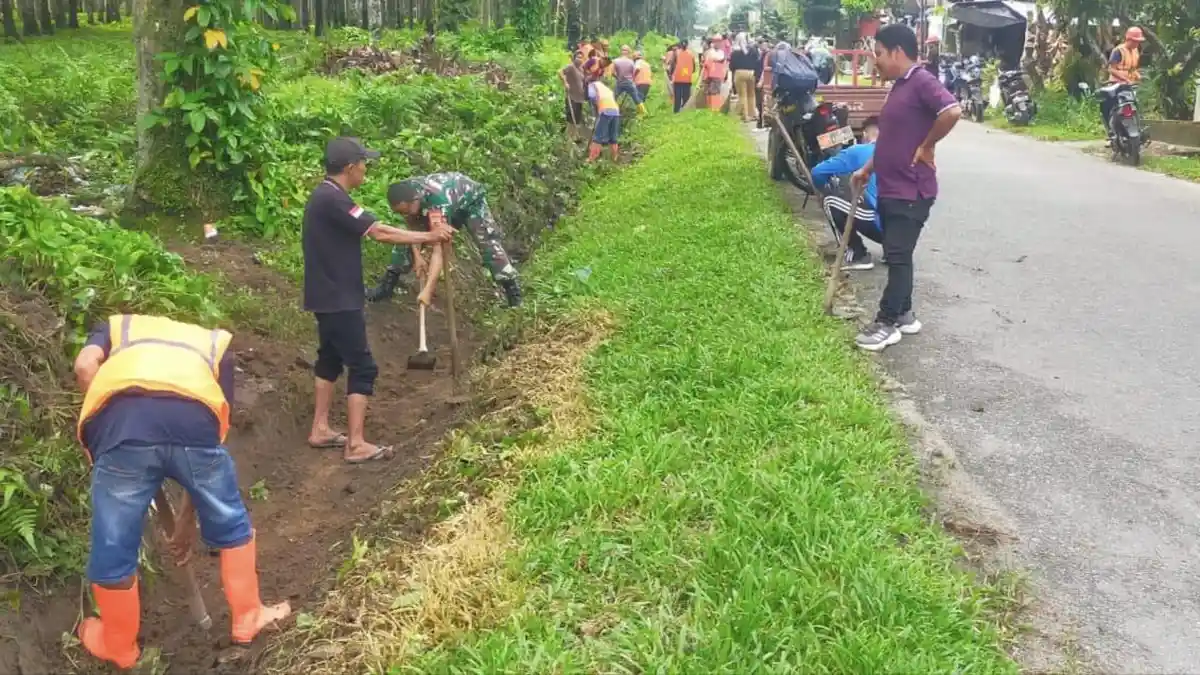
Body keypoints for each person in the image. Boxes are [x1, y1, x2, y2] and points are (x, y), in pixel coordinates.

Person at [72, 314, 292, 669]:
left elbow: (85, 367)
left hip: (123, 429)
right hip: (193, 424)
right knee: (227, 516)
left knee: (113, 539)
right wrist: (190, 516)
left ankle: (119, 644)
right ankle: (248, 618)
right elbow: (212, 433)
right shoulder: (215, 346)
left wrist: (112, 413)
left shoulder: (118, 329)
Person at [303, 137, 453, 462]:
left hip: (325, 295)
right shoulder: (335, 200)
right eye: (363, 163)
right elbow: (380, 232)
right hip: (339, 298)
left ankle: (320, 428)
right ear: (349, 167)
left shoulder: (326, 196)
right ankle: (355, 444)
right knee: (363, 367)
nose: (365, 167)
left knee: (329, 359)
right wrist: (430, 236)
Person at [850, 24, 960, 352]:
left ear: (897, 51)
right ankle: (905, 315)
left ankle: (886, 322)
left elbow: (952, 110)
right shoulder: (900, 86)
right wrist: (868, 168)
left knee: (896, 255)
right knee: (901, 254)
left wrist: (927, 146)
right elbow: (891, 138)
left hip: (911, 190)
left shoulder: (921, 80)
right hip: (890, 185)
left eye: (879, 54)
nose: (876, 61)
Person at [377, 173, 522, 308]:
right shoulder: (404, 192)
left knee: (487, 243)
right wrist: (417, 257)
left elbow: (437, 251)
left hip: (469, 200)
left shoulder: (437, 204)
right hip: (439, 201)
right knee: (403, 241)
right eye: (400, 212)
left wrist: (428, 291)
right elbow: (412, 230)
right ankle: (387, 287)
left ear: (415, 200)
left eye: (405, 211)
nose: (404, 214)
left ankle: (513, 295)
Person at [812, 117, 884, 271]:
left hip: (880, 223)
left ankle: (857, 253)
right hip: (905, 232)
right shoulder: (905, 153)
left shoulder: (858, 150)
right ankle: (895, 252)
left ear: (864, 134)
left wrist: (822, 191)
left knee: (830, 199)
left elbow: (817, 173)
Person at [1101, 26, 1145, 135]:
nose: (1136, 44)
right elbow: (1111, 69)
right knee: (1109, 107)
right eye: (1134, 41)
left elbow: (1133, 68)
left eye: (1138, 41)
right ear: (1128, 39)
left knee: (1135, 105)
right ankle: (1111, 132)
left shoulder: (1136, 51)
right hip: (1117, 84)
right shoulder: (1118, 51)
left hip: (1130, 85)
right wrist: (1123, 78)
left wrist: (1139, 76)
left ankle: (1138, 129)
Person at [585, 78, 622, 161]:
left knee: (597, 137)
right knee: (613, 137)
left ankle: (591, 158)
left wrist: (594, 109)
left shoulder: (591, 85)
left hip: (605, 110)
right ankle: (614, 158)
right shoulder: (605, 88)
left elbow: (592, 96)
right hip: (615, 111)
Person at [730, 32, 760, 122]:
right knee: (751, 94)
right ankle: (753, 114)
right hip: (751, 73)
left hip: (739, 73)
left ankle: (745, 116)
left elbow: (732, 66)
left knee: (742, 95)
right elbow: (757, 62)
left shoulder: (735, 52)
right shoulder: (753, 50)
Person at [560, 49, 588, 142]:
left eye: (581, 57)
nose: (579, 59)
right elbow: (560, 72)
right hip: (572, 96)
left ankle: (575, 136)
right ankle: (569, 137)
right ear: (574, 58)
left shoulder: (581, 69)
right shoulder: (571, 67)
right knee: (571, 117)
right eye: (578, 57)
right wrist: (565, 83)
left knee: (577, 118)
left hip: (580, 98)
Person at [611, 45, 647, 115]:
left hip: (620, 83)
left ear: (621, 51)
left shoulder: (615, 61)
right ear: (628, 52)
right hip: (629, 83)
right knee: (636, 99)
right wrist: (633, 77)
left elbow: (612, 73)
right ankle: (643, 113)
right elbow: (637, 70)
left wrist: (617, 77)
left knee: (613, 97)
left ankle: (611, 111)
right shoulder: (631, 62)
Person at [669, 40, 695, 113]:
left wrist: (671, 74)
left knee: (677, 97)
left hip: (678, 78)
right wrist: (687, 72)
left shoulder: (676, 52)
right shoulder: (691, 54)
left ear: (680, 45)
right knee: (686, 97)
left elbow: (672, 65)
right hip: (687, 79)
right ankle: (684, 111)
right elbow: (693, 68)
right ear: (687, 45)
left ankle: (676, 111)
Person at [701, 40, 728, 111]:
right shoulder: (713, 52)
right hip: (713, 74)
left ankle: (712, 108)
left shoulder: (712, 52)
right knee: (713, 92)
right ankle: (713, 108)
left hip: (714, 74)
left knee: (713, 91)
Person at [755, 38, 770, 128]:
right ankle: (761, 122)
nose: (761, 46)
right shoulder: (761, 54)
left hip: (764, 82)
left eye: (762, 43)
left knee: (762, 103)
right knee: (759, 102)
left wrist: (761, 81)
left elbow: (765, 69)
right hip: (760, 80)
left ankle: (762, 123)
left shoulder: (767, 55)